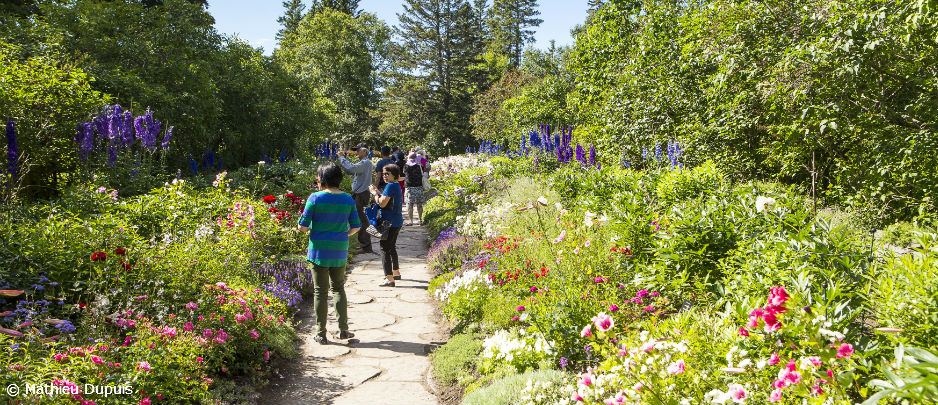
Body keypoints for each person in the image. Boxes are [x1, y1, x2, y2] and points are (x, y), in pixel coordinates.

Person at [298, 162, 361, 345]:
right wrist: (342, 234)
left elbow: (302, 226)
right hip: (339, 251)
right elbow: (356, 226)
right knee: (339, 288)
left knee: (320, 292)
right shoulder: (348, 199)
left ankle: (321, 333)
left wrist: (306, 228)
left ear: (322, 178)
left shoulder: (315, 198)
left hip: (318, 252)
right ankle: (343, 330)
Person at [368, 164, 404, 286]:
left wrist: (374, 193)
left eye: (387, 174)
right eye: (383, 174)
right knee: (392, 247)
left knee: (384, 249)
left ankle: (389, 278)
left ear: (395, 176)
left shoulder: (390, 186)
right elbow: (386, 199)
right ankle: (396, 272)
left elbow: (382, 204)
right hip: (397, 221)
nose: (384, 176)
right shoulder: (396, 185)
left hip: (388, 223)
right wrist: (378, 192)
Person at [337, 143, 374, 254]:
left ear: (364, 151)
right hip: (359, 193)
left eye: (358, 150)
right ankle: (364, 245)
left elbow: (352, 168)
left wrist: (342, 158)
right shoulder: (363, 163)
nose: (356, 152)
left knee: (362, 220)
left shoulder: (366, 163)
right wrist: (343, 165)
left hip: (362, 194)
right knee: (359, 218)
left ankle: (366, 246)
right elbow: (350, 170)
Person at [403, 152, 426, 226]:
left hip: (409, 187)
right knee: (419, 204)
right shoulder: (420, 166)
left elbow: (404, 172)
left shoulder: (406, 166)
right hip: (419, 186)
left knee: (410, 204)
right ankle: (420, 220)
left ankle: (411, 221)